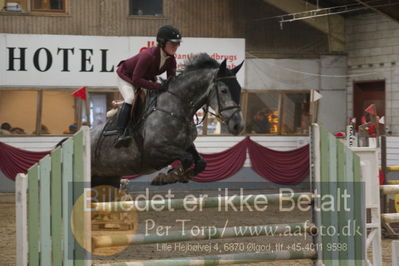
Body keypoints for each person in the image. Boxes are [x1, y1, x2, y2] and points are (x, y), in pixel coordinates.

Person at [112, 24, 182, 148]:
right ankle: (120, 133)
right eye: (172, 43)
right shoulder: (148, 56)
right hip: (126, 76)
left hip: (143, 78)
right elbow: (136, 79)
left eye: (177, 44)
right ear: (162, 42)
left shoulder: (171, 60)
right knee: (130, 98)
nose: (175, 47)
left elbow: (172, 81)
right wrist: (158, 86)